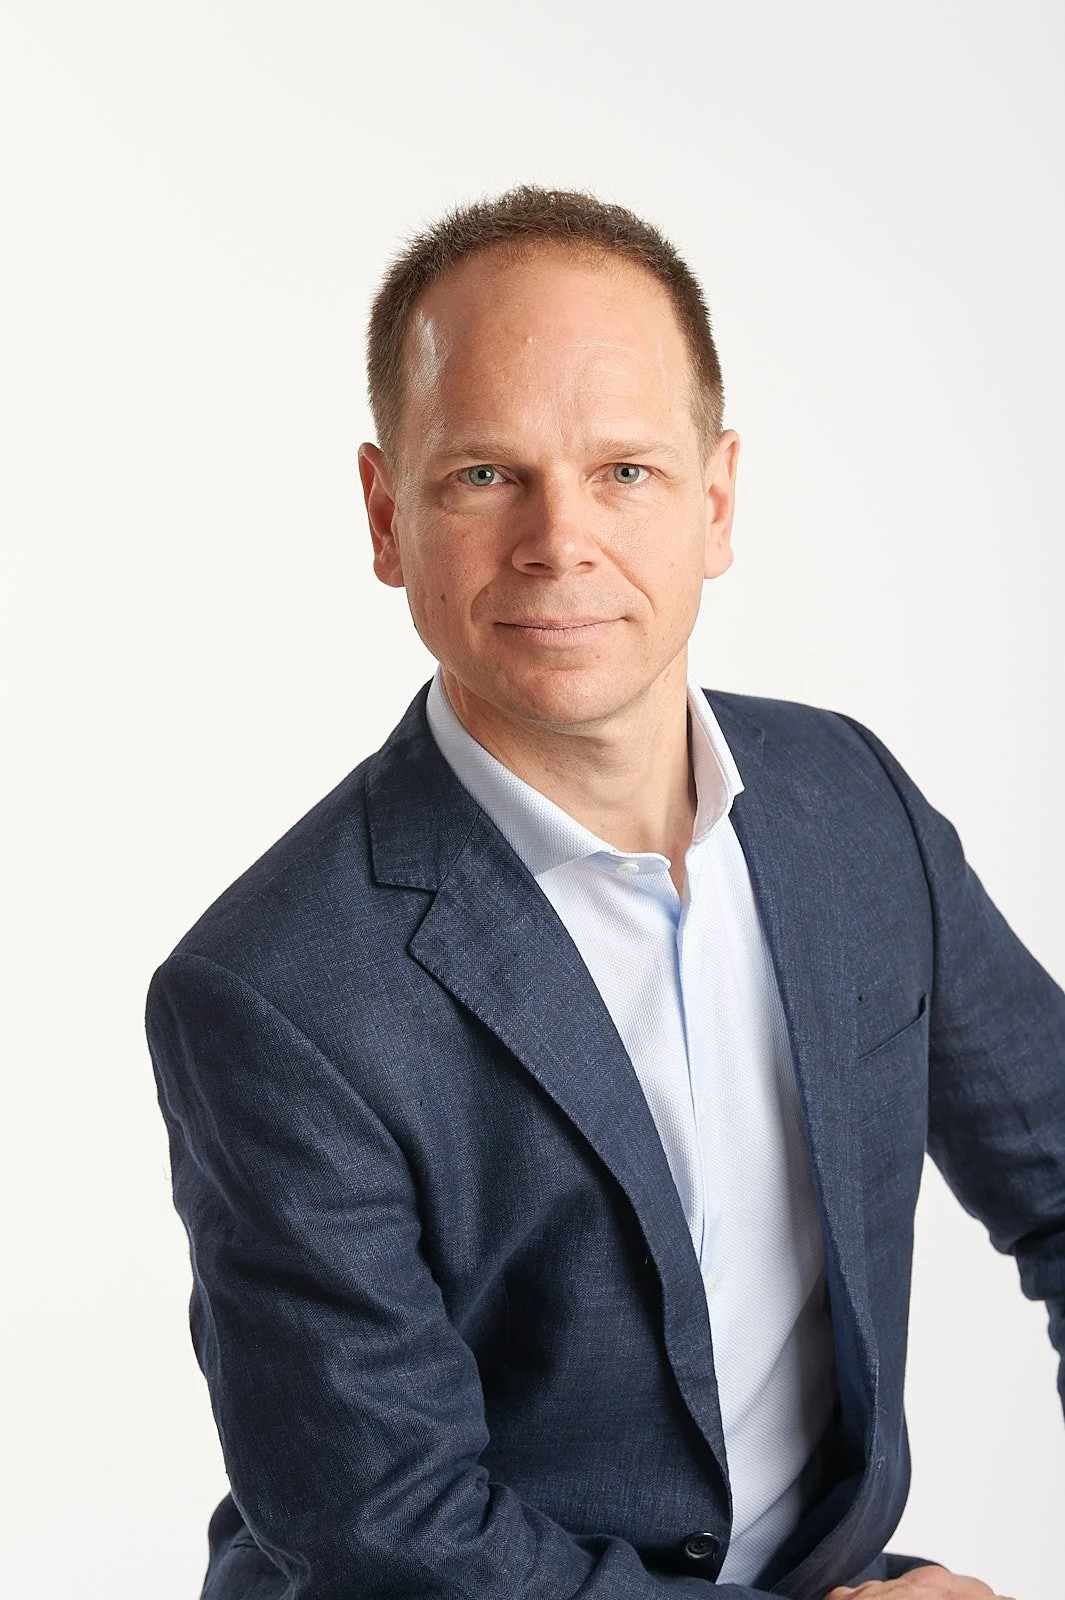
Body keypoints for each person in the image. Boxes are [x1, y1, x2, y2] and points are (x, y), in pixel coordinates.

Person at [144, 185, 1062, 1600]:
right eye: (483, 476)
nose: (559, 540)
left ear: (719, 498)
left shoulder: (848, 805)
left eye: (626, 470)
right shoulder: (274, 995)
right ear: (389, 517)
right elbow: (394, 1533)